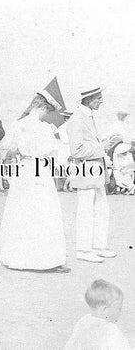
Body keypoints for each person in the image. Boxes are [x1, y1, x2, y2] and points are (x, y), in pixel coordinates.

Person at [0, 90, 69, 273]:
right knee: (44, 212)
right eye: (47, 111)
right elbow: (54, 153)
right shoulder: (44, 128)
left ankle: (17, 257)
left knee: (21, 212)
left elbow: (6, 148)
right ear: (42, 108)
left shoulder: (18, 124)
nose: (47, 115)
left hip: (24, 170)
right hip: (40, 170)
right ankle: (44, 260)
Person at [66, 87, 121, 263]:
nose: (101, 101)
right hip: (86, 172)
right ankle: (83, 249)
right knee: (86, 211)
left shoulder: (88, 116)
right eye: (99, 98)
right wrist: (102, 147)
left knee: (101, 210)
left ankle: (98, 246)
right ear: (88, 99)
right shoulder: (77, 119)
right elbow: (77, 150)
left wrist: (106, 142)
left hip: (95, 173)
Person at [64, 279, 131, 350]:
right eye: (119, 308)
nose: (121, 312)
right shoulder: (111, 330)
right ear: (104, 310)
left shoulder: (83, 321)